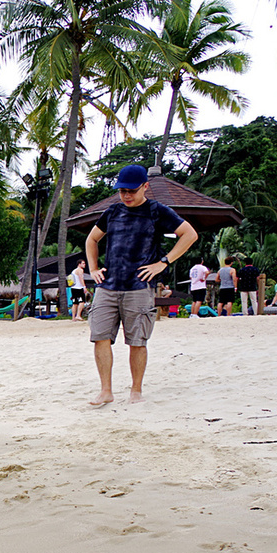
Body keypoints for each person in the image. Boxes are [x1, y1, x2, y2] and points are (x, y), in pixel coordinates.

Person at [85, 164, 198, 405]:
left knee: (137, 340)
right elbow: (92, 239)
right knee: (100, 337)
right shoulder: (112, 211)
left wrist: (164, 262)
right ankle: (106, 390)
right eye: (122, 191)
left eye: (131, 191)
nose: (126, 195)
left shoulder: (158, 211)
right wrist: (93, 269)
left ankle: (136, 390)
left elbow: (189, 234)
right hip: (107, 286)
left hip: (139, 286)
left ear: (145, 186)